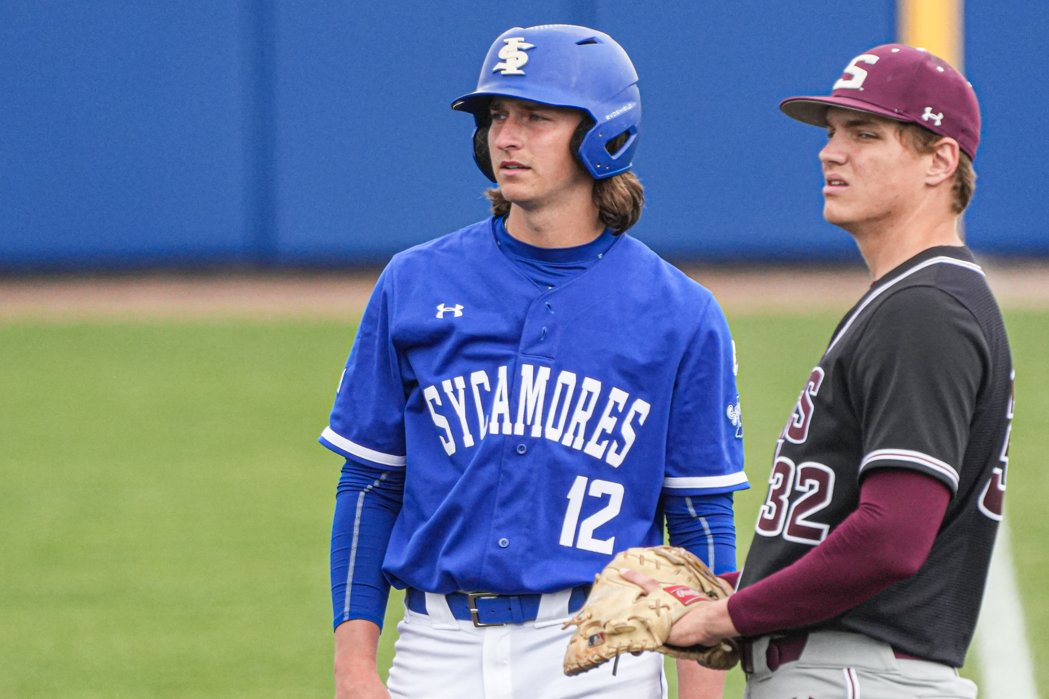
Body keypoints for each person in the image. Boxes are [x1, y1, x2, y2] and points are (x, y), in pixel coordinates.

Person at [318, 23, 748, 699]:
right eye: (497, 115)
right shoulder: (414, 283)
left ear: (604, 134)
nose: (506, 136)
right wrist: (352, 668)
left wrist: (699, 693)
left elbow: (698, 518)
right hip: (435, 647)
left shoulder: (679, 312)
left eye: (536, 117)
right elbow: (370, 485)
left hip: (602, 652)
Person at [624, 43, 1014, 698]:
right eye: (831, 134)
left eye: (864, 134)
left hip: (854, 675)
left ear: (940, 160)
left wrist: (726, 614)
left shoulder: (925, 308)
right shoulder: (909, 298)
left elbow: (892, 536)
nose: (830, 152)